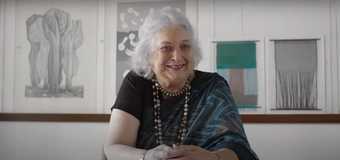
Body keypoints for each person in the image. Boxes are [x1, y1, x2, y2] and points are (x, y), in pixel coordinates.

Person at [104, 7, 258, 160]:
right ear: (149, 54)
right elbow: (113, 148)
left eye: (185, 46)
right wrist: (147, 156)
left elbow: (240, 151)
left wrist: (213, 158)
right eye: (166, 48)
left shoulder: (213, 86)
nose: (177, 57)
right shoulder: (136, 82)